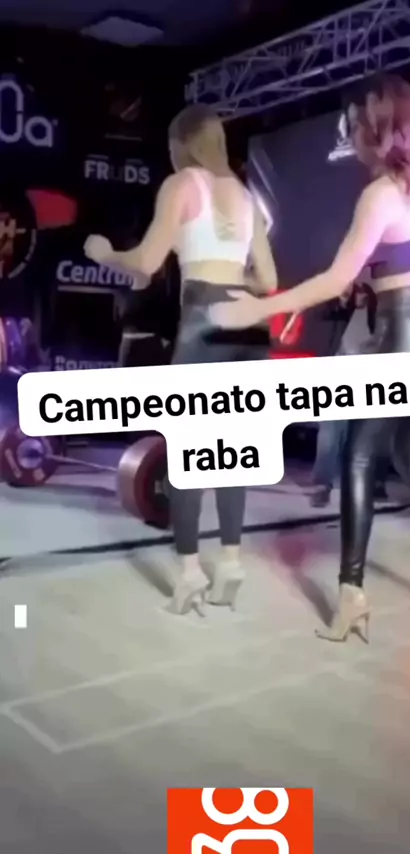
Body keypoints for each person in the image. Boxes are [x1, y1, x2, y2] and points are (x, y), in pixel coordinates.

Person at [209, 74, 410, 641]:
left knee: (359, 458)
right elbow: (392, 269)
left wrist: (258, 308)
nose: (348, 133)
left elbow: (333, 280)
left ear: (377, 130)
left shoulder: (379, 195)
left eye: (353, 124)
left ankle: (351, 597)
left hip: (403, 334)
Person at [84, 104, 277, 615]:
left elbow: (147, 262)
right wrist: (231, 278)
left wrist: (105, 254)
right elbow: (270, 280)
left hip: (204, 319)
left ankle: (190, 573)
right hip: (250, 324)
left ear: (182, 145)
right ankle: (230, 562)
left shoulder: (181, 185)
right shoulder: (246, 196)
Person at [310, 281, 389, 507]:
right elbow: (324, 315)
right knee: (330, 430)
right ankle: (322, 485)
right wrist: (344, 298)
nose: (359, 294)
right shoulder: (343, 308)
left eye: (363, 291)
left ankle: (374, 482)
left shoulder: (383, 310)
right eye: (357, 290)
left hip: (371, 375)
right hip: (340, 370)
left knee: (371, 433)